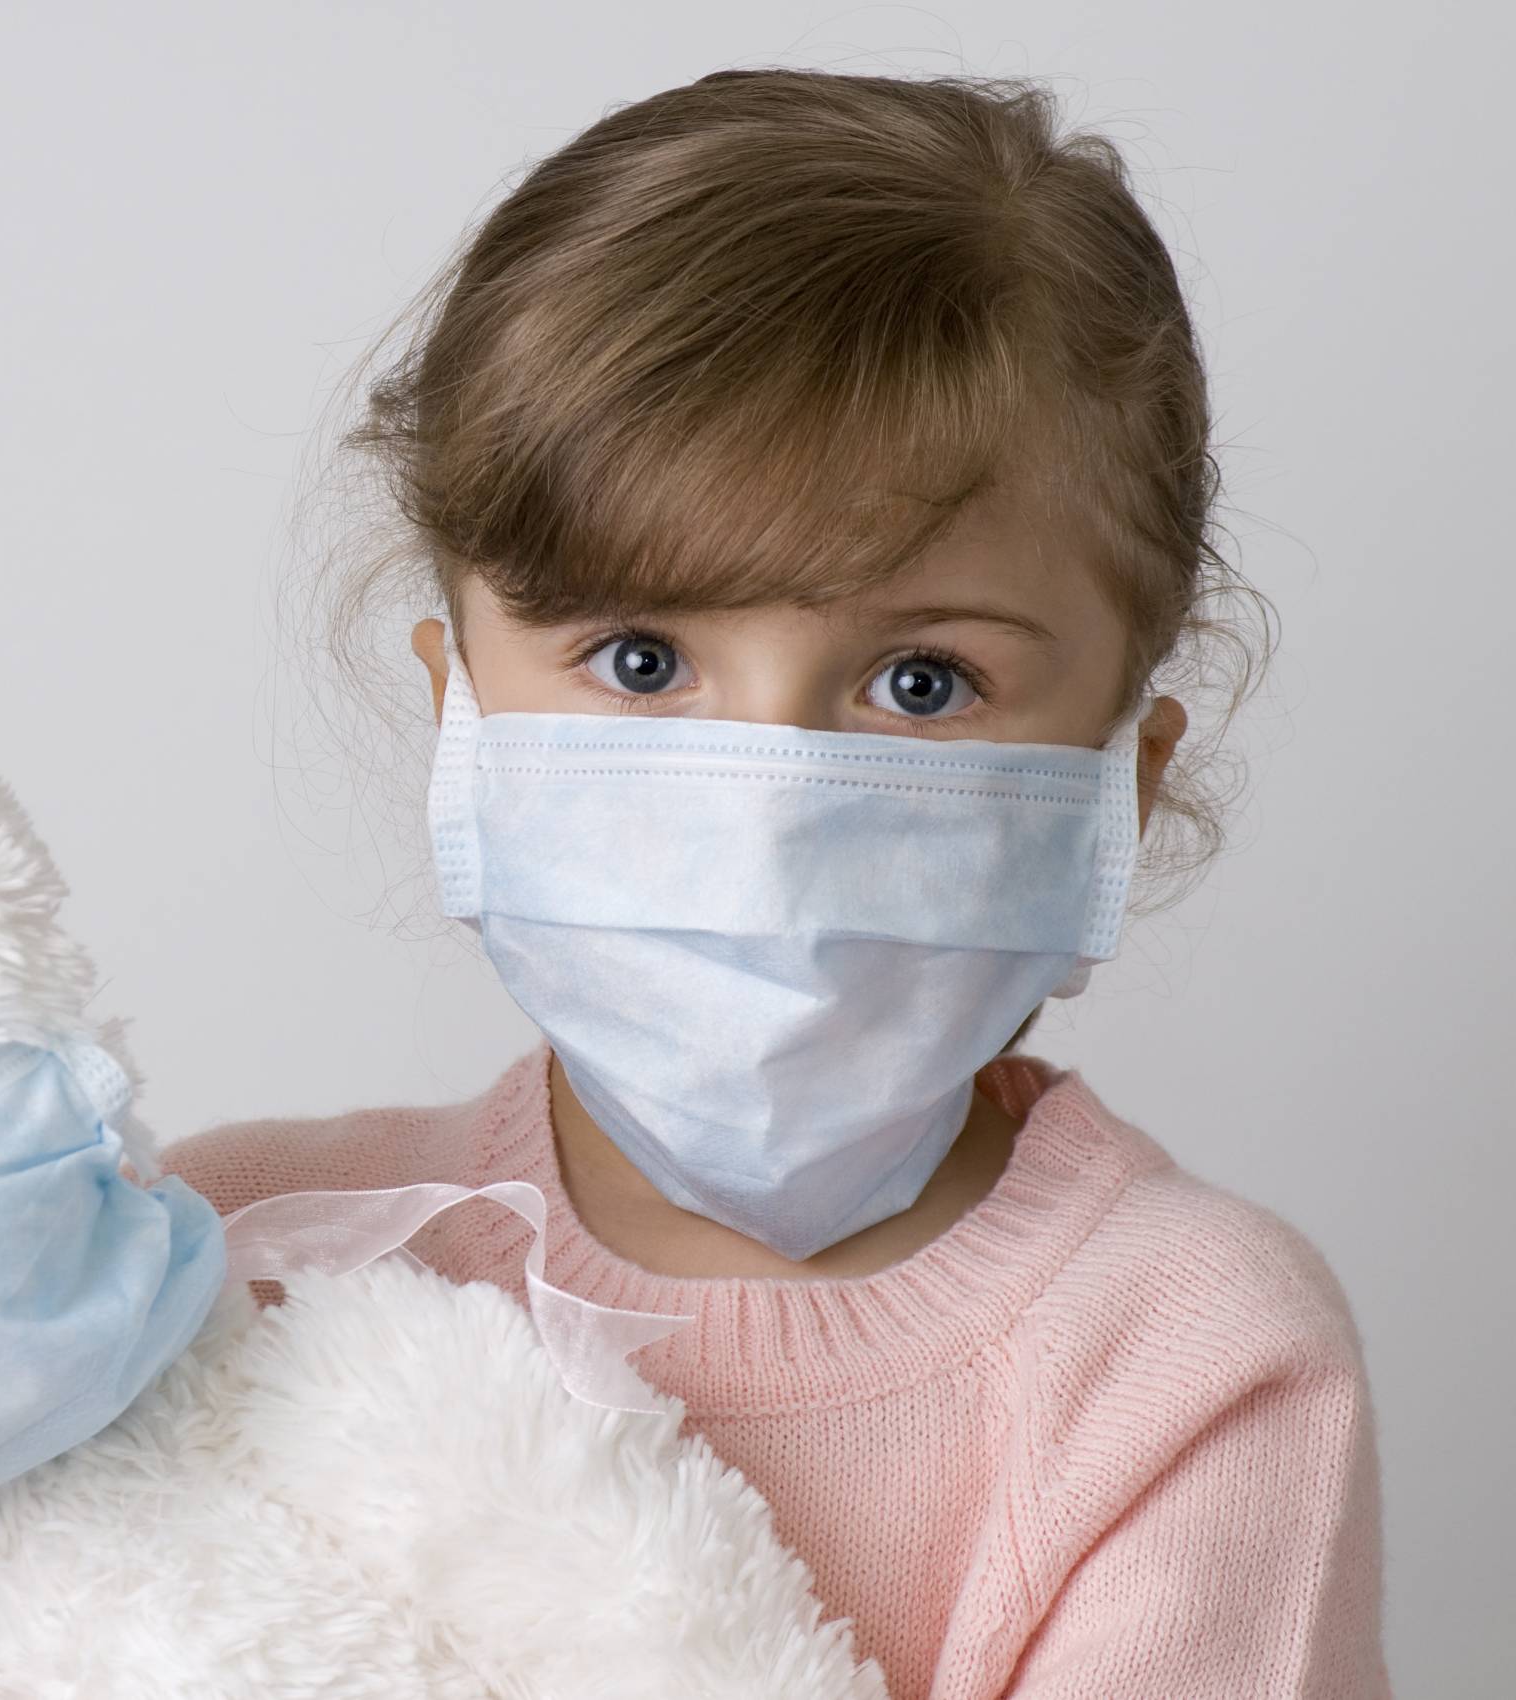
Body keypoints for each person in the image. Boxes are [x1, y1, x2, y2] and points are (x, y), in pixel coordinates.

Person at [159, 67, 1388, 1699]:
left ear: (1120, 784)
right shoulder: (217, 1258)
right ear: (458, 714)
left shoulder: (1192, 1364)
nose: (771, 824)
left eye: (923, 684)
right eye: (643, 656)